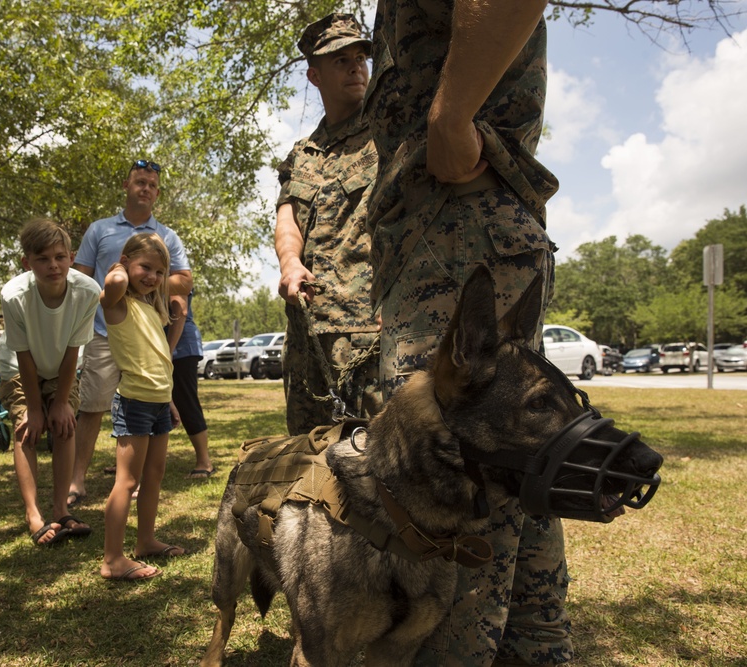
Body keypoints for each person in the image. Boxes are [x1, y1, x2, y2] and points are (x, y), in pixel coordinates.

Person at [364, 1, 570, 665]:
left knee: (445, 458)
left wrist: (450, 118)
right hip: (449, 224)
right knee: (512, 452)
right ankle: (532, 646)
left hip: (458, 218)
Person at [275, 13, 382, 436]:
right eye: (341, 60)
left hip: (367, 332)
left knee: (374, 457)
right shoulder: (304, 153)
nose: (356, 66)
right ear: (314, 75)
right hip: (308, 333)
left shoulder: (388, 132)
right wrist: (290, 263)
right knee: (308, 451)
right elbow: (287, 216)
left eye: (360, 57)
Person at [68, 159, 192, 503]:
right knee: (92, 405)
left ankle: (135, 478)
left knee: (145, 403)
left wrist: (145, 281)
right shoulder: (100, 229)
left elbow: (184, 280)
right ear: (126, 186)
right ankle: (76, 479)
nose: (146, 189)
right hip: (102, 331)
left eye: (152, 185)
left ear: (157, 193)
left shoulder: (166, 236)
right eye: (139, 182)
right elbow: (79, 277)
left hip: (145, 338)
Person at [0, 218, 100, 545]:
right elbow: (24, 355)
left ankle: (60, 510)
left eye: (59, 257)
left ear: (71, 256)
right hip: (17, 363)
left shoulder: (88, 291)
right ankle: (33, 515)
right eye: (42, 259)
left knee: (65, 422)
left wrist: (58, 403)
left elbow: (73, 349)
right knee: (26, 426)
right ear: (27, 262)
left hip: (63, 365)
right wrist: (34, 407)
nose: (53, 265)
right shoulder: (14, 295)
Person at [100, 233, 186, 581]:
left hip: (157, 403)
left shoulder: (150, 308)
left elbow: (160, 357)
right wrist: (119, 270)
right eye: (145, 267)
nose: (152, 276)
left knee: (154, 475)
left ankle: (146, 540)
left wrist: (170, 400)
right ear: (126, 261)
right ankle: (112, 558)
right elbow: (113, 285)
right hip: (134, 401)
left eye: (159, 271)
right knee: (128, 480)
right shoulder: (117, 303)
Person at [167, 291, 215, 478]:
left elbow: (180, 307)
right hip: (153, 343)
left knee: (185, 401)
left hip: (181, 346)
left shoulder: (177, 271)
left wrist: (168, 351)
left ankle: (204, 461)